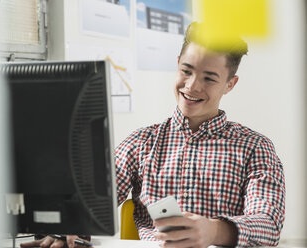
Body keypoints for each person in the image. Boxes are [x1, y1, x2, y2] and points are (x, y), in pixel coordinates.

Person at [21, 22, 285, 248]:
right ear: (177, 65)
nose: (192, 85)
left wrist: (213, 231)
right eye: (186, 70)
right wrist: (69, 228)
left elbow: (269, 223)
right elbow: (88, 203)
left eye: (209, 78)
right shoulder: (141, 143)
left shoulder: (255, 147)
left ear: (230, 84)